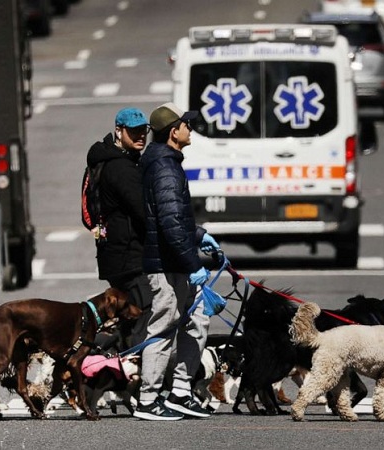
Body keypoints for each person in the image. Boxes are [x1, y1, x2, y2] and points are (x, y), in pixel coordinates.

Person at [133, 102, 220, 421]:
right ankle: (148, 399)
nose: (190, 128)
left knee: (197, 319)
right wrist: (193, 264)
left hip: (175, 259)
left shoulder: (166, 162)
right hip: (167, 264)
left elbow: (173, 217)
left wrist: (198, 235)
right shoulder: (165, 167)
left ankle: (181, 391)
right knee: (164, 325)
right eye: (186, 124)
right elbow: (169, 222)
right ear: (173, 132)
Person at [86, 107, 153, 349]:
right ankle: (133, 376)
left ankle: (116, 366)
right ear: (118, 130)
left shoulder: (105, 160)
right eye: (133, 132)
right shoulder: (121, 168)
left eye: (143, 131)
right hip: (129, 258)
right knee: (144, 315)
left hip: (113, 255)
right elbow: (145, 213)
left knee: (127, 320)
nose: (140, 137)